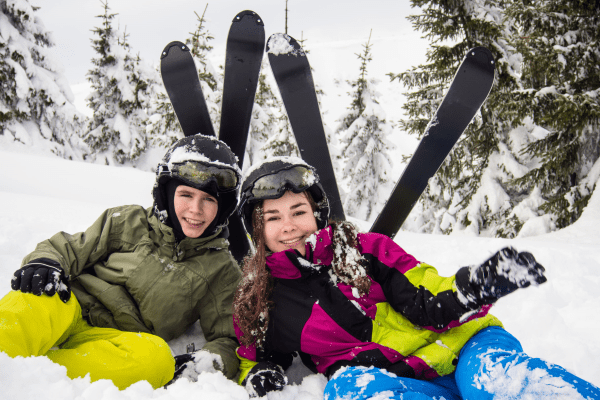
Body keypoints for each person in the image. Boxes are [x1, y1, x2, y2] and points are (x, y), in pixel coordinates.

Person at [232, 156, 600, 399]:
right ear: (257, 229)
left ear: (317, 215)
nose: (289, 226)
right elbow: (254, 353)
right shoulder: (262, 300)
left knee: (492, 381)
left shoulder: (366, 249)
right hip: (398, 383)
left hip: (461, 347)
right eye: (273, 217)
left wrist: (475, 288)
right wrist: (259, 372)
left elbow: (429, 297)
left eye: (299, 211)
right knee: (347, 385)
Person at [0, 134, 243, 390]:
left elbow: (227, 338)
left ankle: (34, 373)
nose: (196, 209)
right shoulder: (129, 221)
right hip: (69, 303)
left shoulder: (221, 269)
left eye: (209, 200)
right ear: (167, 193)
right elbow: (69, 248)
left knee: (157, 360)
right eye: (186, 195)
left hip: (118, 340)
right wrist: (45, 262)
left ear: (223, 208)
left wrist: (205, 364)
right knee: (31, 299)